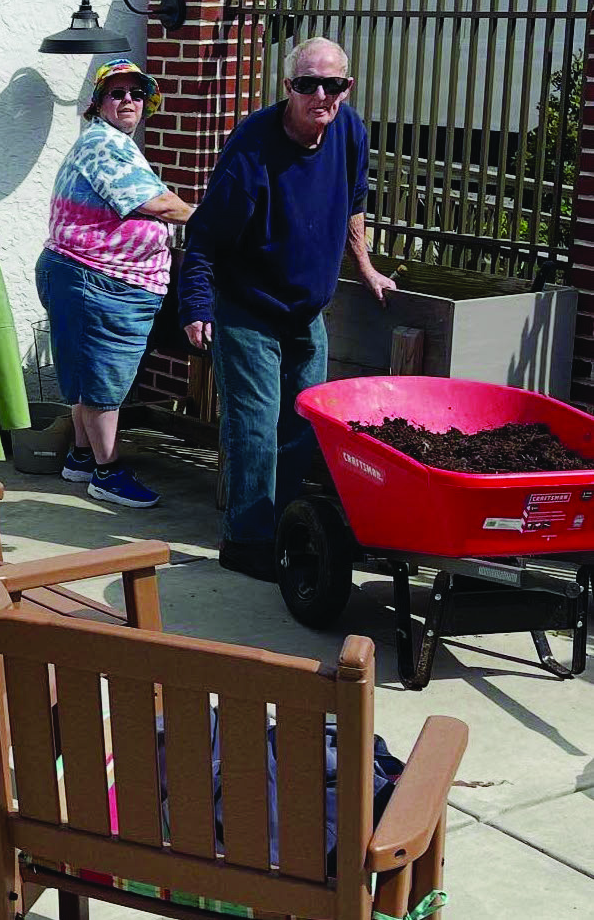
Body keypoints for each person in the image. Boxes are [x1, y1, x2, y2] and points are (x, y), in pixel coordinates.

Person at [179, 36, 397, 581]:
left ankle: (284, 524)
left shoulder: (347, 130)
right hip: (249, 306)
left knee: (306, 426)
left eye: (333, 84)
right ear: (287, 88)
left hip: (306, 310)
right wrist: (197, 304)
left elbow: (354, 202)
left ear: (347, 88)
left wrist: (365, 267)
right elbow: (205, 233)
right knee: (254, 426)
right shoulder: (253, 146)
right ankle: (246, 541)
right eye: (308, 84)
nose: (321, 95)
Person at [36, 58, 194, 508]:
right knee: (105, 380)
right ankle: (107, 472)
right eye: (117, 93)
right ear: (99, 104)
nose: (129, 101)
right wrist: (210, 220)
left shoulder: (108, 142)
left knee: (88, 374)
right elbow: (157, 203)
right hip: (99, 280)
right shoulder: (105, 144)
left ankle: (82, 458)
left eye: (137, 94)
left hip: (87, 276)